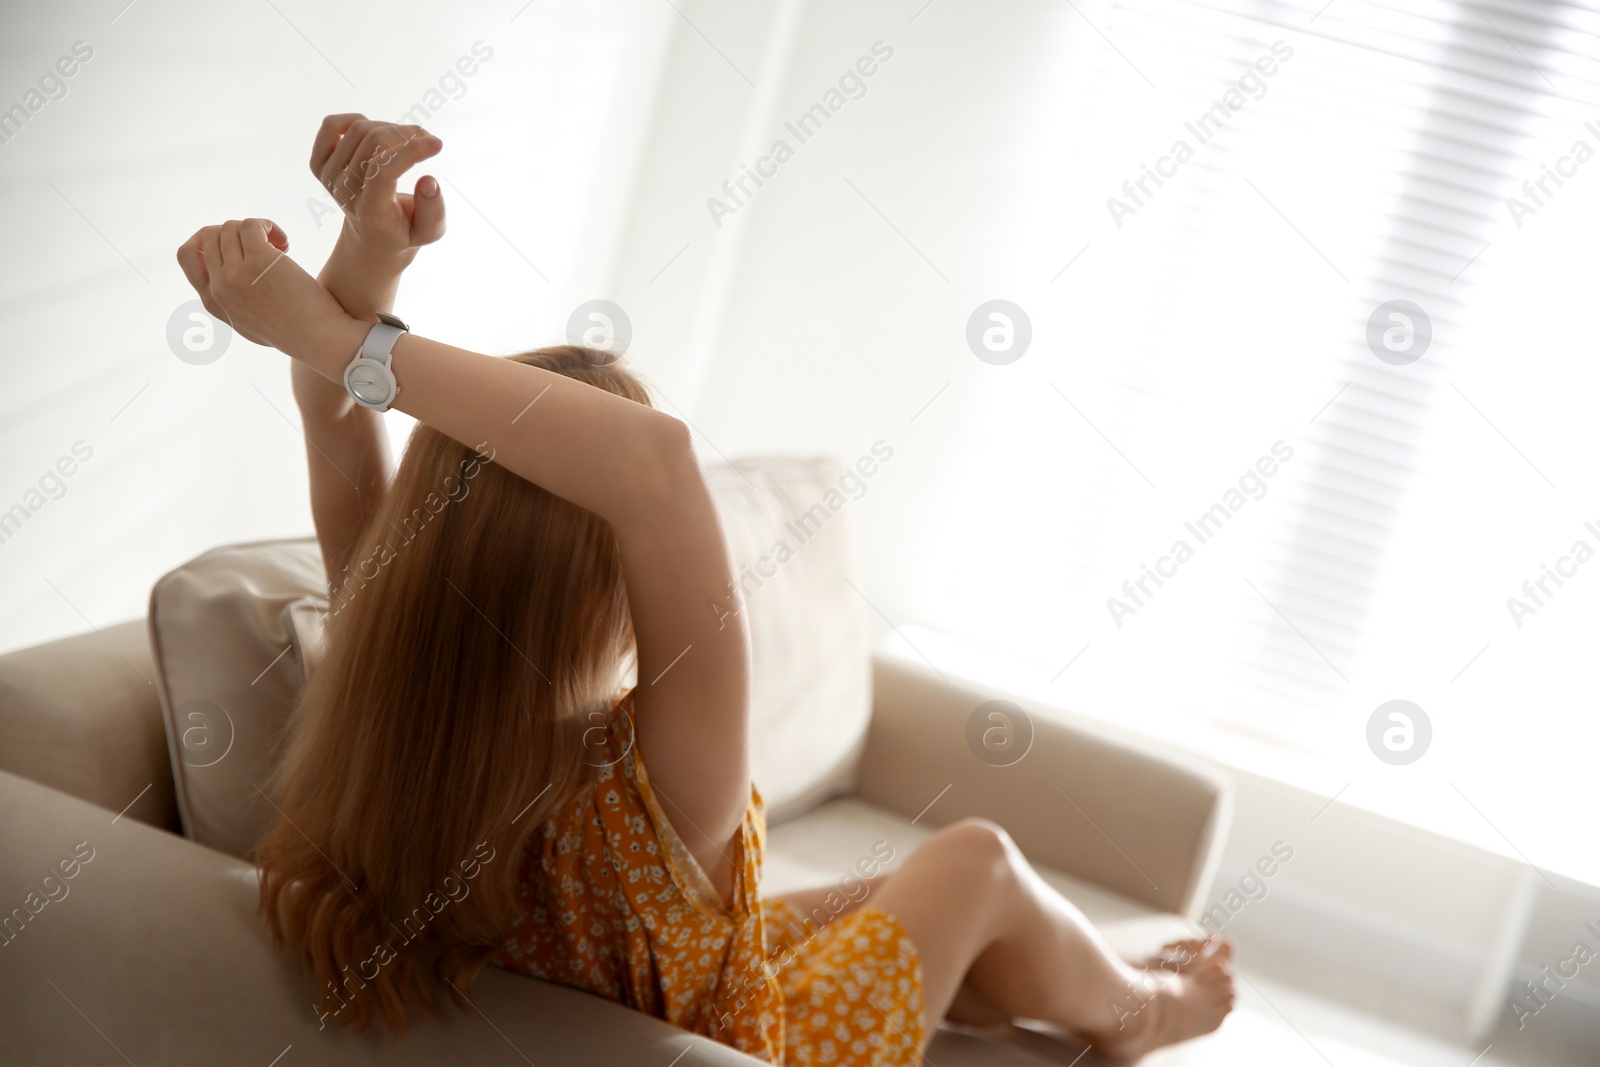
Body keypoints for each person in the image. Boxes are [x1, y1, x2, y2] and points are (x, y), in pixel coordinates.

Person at [175, 115, 1235, 1066]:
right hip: (747, 1042)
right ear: (612, 594)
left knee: (869, 899)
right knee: (978, 860)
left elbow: (333, 418)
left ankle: (1002, 992)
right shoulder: (663, 786)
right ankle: (1144, 1011)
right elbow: (650, 459)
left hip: (660, 979)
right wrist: (332, 334)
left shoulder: (388, 682)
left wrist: (368, 257)